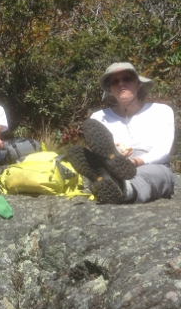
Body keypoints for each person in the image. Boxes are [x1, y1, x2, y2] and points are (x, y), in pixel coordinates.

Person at [67, 62, 175, 204]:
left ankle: (124, 189)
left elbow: (162, 151)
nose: (121, 83)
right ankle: (110, 181)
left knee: (149, 175)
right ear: (110, 89)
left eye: (127, 78)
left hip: (154, 165)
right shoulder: (99, 118)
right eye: (115, 81)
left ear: (138, 84)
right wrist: (116, 154)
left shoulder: (161, 111)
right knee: (110, 167)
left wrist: (133, 162)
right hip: (114, 167)